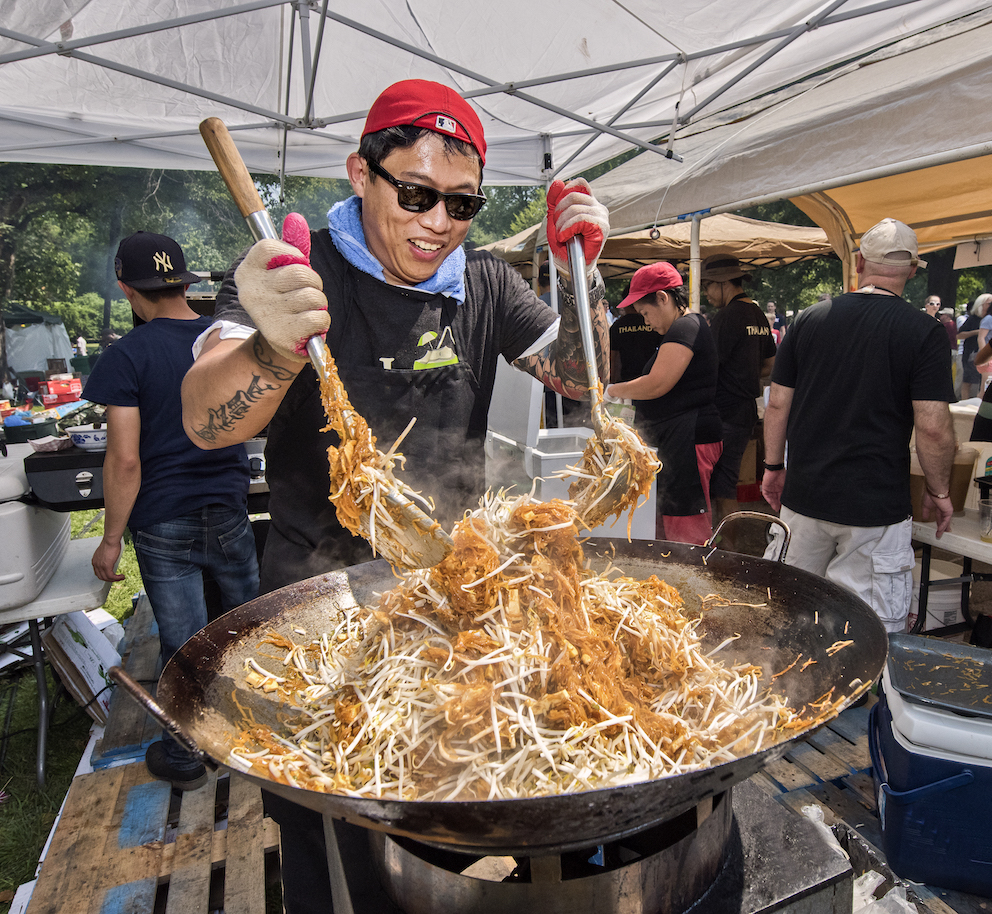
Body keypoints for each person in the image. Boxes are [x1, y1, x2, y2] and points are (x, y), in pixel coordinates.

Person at [180, 79, 611, 912]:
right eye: (414, 194)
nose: (438, 222)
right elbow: (206, 422)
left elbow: (579, 379)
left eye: (461, 202)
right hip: (319, 603)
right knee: (326, 820)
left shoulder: (482, 282)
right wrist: (272, 346)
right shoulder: (296, 273)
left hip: (449, 595)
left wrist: (576, 277)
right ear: (360, 173)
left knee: (442, 799)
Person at [85, 231, 259, 789]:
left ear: (127, 290)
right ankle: (262, 744)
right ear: (185, 282)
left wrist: (110, 538)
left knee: (183, 644)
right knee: (249, 630)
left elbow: (125, 458)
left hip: (162, 519)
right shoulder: (227, 339)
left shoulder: (126, 355)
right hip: (229, 508)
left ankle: (186, 759)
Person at [761, 218, 955, 634]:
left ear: (860, 262)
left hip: (806, 496)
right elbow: (934, 428)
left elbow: (777, 404)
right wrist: (939, 491)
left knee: (788, 618)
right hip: (874, 507)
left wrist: (773, 467)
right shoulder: (924, 331)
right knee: (864, 635)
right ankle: (855, 701)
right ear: (914, 270)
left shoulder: (810, 318)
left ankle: (787, 696)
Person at [605, 262, 722, 545]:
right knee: (670, 524)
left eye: (646, 312)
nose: (646, 321)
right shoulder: (678, 330)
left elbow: (658, 383)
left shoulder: (686, 327)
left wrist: (610, 391)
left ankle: (695, 581)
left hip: (689, 438)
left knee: (687, 527)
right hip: (676, 440)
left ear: (662, 298)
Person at [701, 254, 775, 524]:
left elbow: (708, 366)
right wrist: (745, 375)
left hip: (724, 412)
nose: (707, 293)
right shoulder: (757, 313)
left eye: (708, 286)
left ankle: (722, 547)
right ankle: (726, 545)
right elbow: (769, 364)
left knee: (717, 483)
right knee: (728, 480)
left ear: (722, 283)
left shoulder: (727, 316)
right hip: (745, 411)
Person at [609, 302, 661, 382]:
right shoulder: (651, 323)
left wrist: (612, 381)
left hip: (626, 378)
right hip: (650, 376)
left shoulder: (617, 325)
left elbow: (613, 357)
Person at [958, 293, 990, 399]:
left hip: (987, 353)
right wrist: (978, 332)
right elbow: (959, 335)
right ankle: (964, 402)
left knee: (983, 381)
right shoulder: (973, 319)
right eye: (989, 303)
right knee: (968, 381)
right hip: (971, 353)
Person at [976, 295, 992, 397]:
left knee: (984, 391)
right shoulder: (989, 319)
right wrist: (986, 358)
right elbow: (981, 338)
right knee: (985, 391)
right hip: (988, 361)